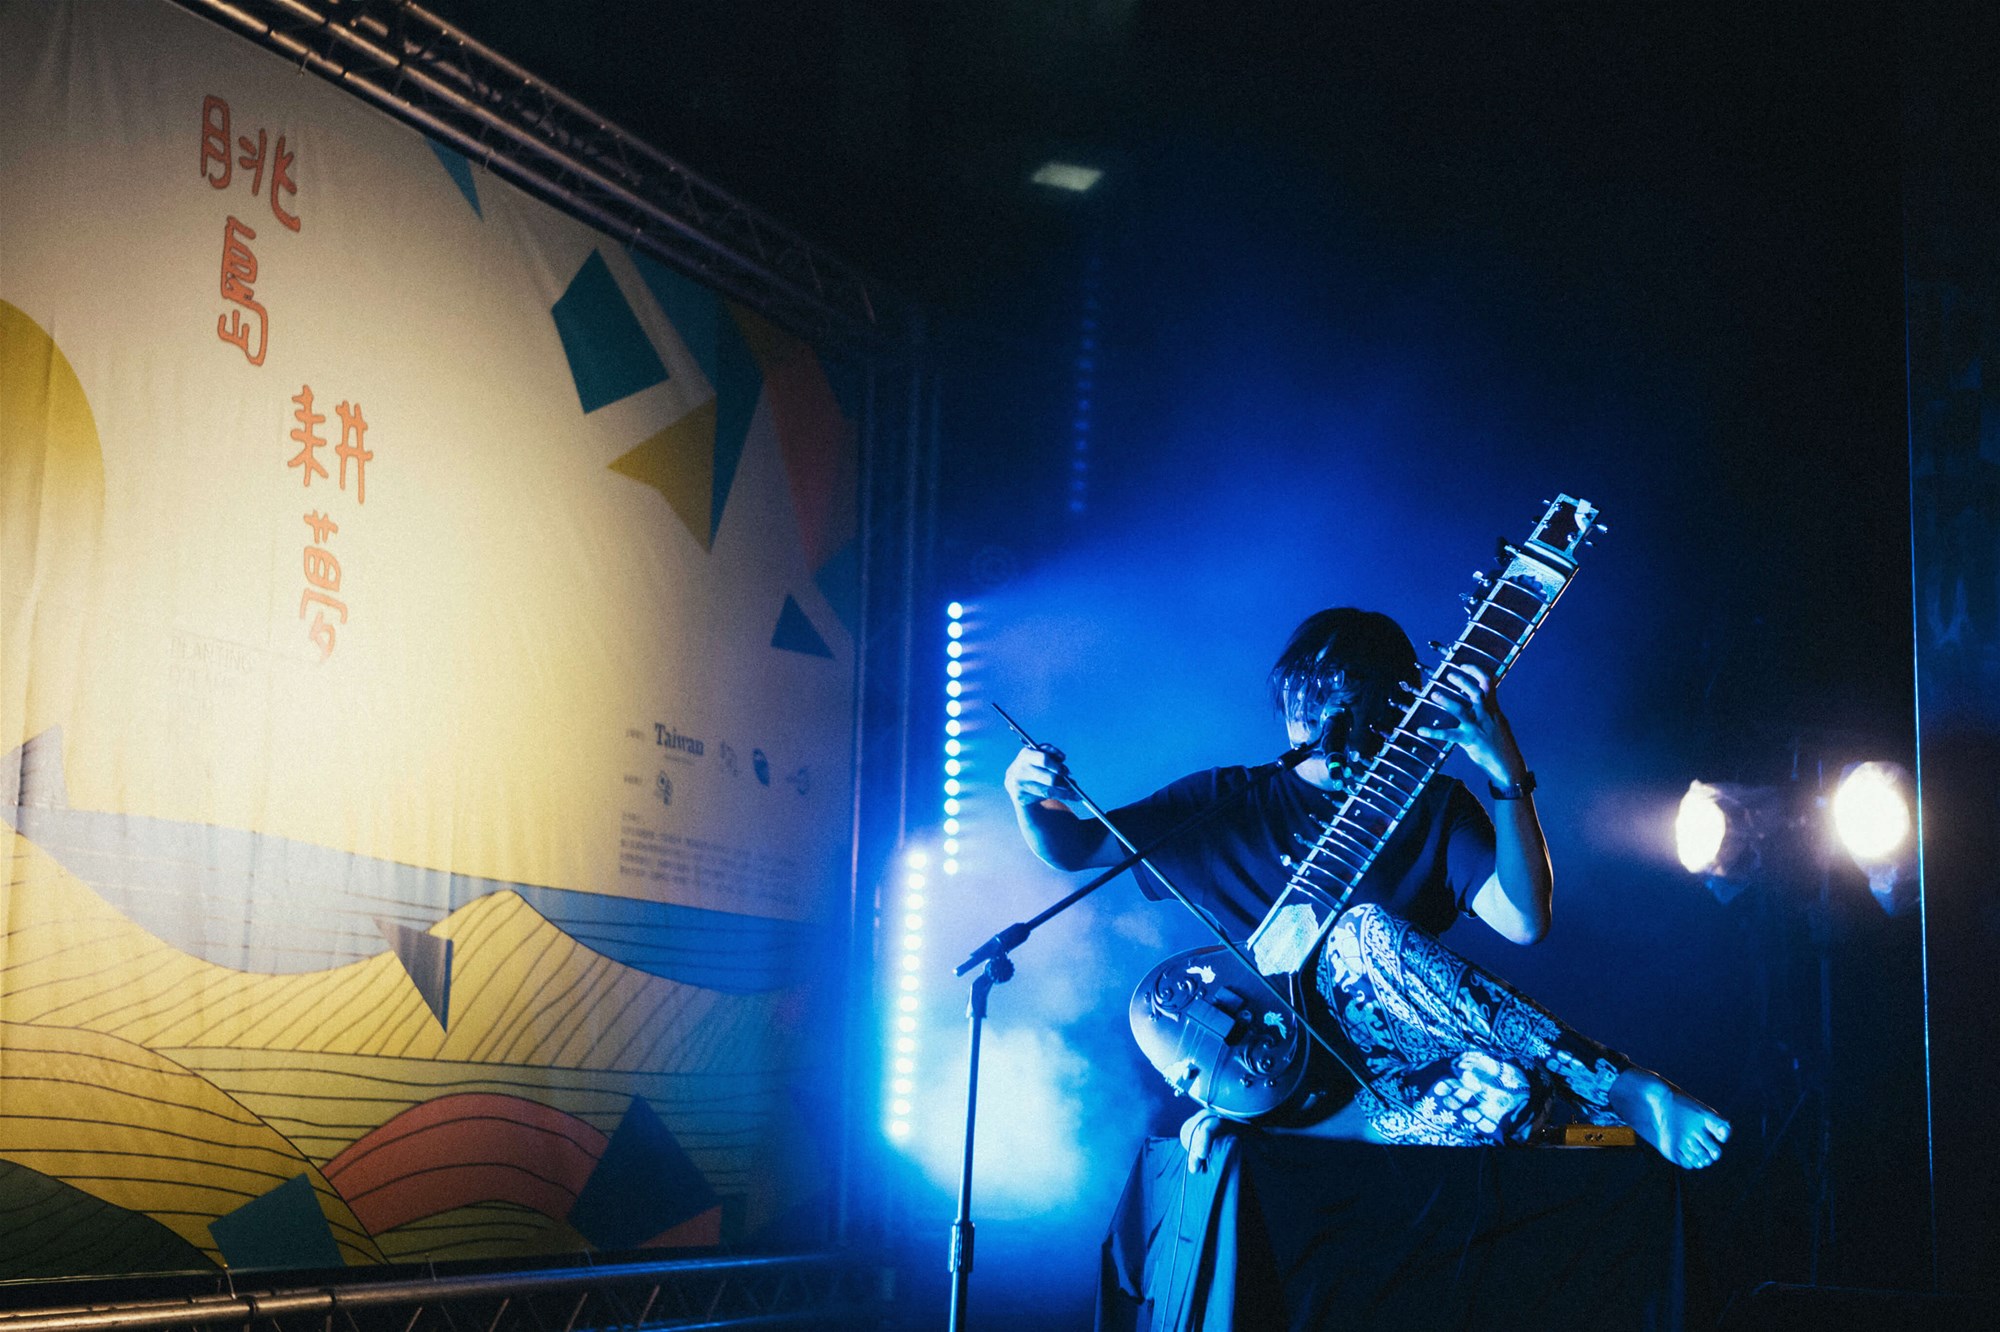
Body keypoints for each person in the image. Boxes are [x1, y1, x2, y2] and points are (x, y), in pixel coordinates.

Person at [1003, 607, 1731, 1169]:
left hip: (1386, 1089)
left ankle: (1612, 1131)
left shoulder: (1435, 806)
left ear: (1395, 707)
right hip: (1269, 1077)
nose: (1325, 717)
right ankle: (1623, 1087)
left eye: (1354, 699)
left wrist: (1506, 773)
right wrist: (1027, 795)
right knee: (1361, 931)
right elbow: (1077, 845)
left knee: (1503, 1086)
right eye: (1310, 697)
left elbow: (1524, 920)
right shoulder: (1229, 801)